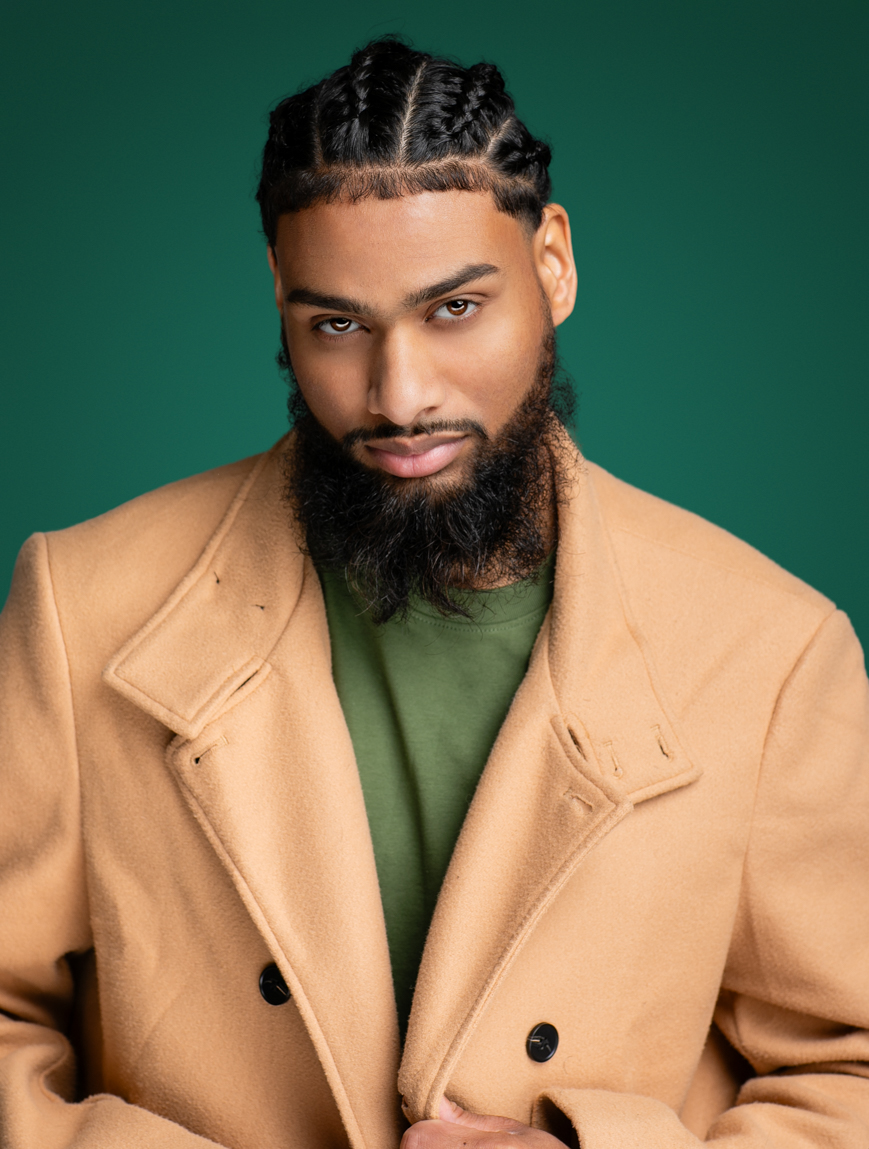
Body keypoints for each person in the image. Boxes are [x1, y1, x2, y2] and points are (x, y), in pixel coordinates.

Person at [0, 36, 867, 1149]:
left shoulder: (772, 653)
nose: (398, 397)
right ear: (277, 299)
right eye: (336, 325)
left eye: (453, 309)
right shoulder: (79, 604)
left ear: (552, 265)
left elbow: (849, 1069)